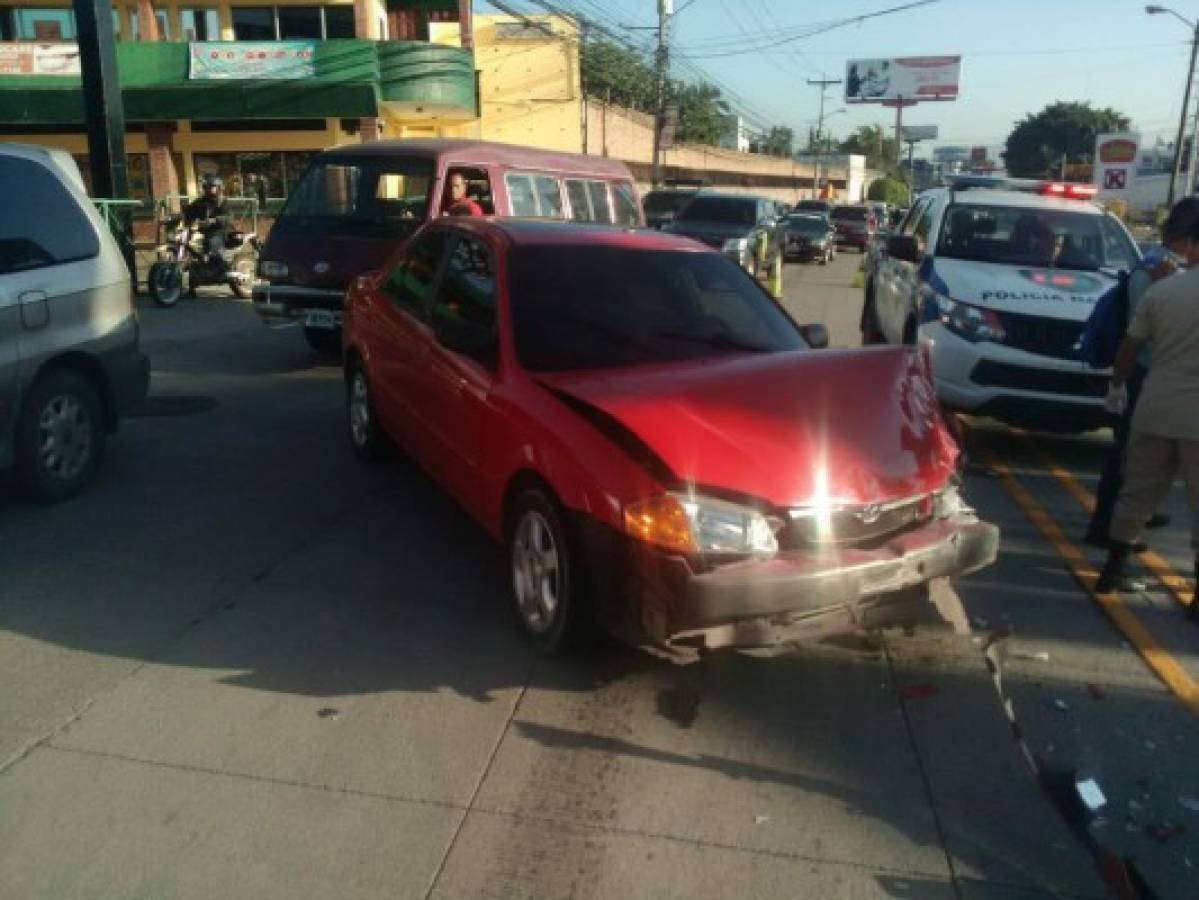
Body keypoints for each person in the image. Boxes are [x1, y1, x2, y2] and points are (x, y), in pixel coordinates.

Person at [1094, 214, 1199, 610]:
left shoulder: (1162, 291)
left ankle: (1112, 570)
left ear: (1190, 245)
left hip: (1155, 405)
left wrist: (1117, 387)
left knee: (1137, 492)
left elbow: (1129, 347)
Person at [184, 174, 230, 262]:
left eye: (211, 186)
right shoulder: (201, 201)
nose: (208, 189)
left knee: (212, 244)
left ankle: (217, 267)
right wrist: (176, 216)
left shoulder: (222, 201)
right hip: (203, 231)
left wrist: (215, 220)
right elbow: (189, 210)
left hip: (218, 232)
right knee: (190, 243)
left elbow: (228, 217)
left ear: (219, 188)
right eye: (206, 187)